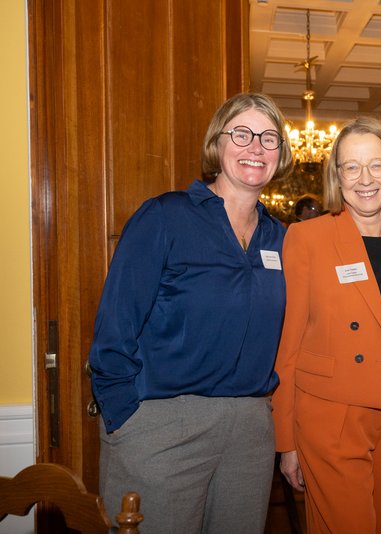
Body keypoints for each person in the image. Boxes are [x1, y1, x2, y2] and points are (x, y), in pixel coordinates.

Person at [88, 92, 293, 534]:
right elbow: (114, 329)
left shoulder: (282, 238)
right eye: (242, 133)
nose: (256, 147)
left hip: (250, 430)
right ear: (217, 144)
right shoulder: (166, 216)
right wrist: (127, 420)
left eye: (269, 138)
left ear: (282, 153)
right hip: (162, 425)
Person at [272, 117, 381, 533]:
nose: (366, 179)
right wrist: (286, 441)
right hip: (332, 410)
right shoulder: (306, 238)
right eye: (352, 167)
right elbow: (287, 346)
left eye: (377, 165)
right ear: (336, 175)